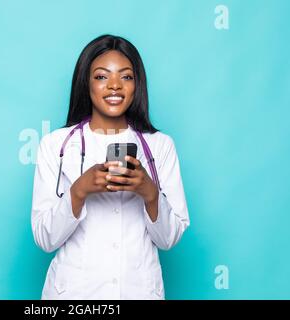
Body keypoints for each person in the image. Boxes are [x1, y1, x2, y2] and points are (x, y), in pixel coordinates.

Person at [31, 34, 190, 300]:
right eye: (102, 76)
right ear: (86, 82)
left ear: (137, 84)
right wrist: (79, 191)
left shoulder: (160, 146)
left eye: (126, 77)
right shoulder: (55, 145)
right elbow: (45, 240)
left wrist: (149, 192)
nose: (114, 86)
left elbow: (169, 239)